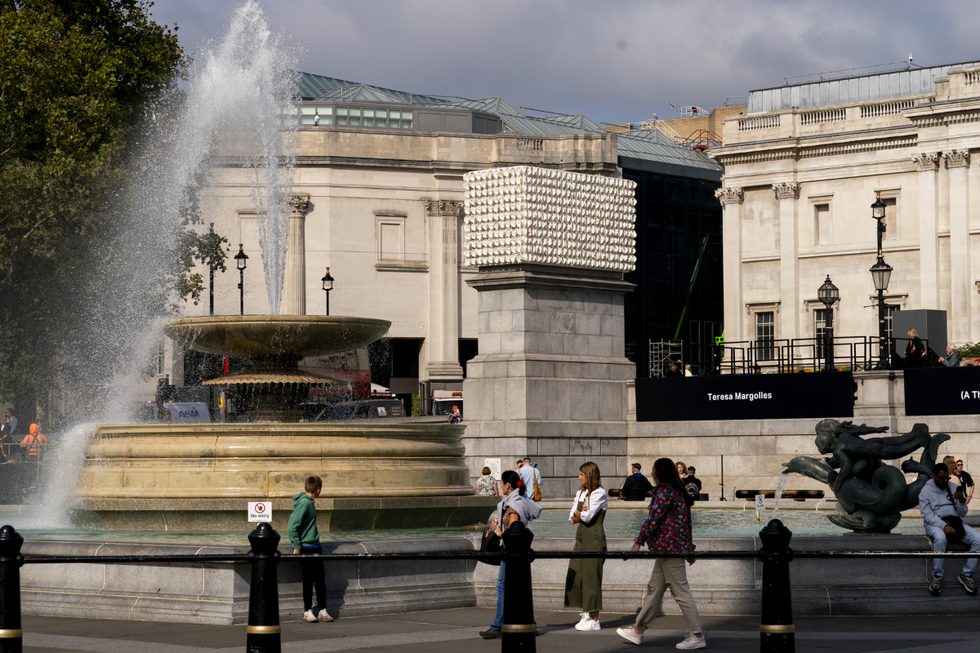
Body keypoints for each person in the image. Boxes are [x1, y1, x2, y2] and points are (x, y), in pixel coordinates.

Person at [617, 458, 705, 649]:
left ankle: (697, 634)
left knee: (681, 591)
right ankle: (638, 629)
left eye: (653, 470)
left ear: (660, 472)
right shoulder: (678, 492)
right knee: (655, 590)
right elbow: (686, 525)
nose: (651, 473)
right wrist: (688, 548)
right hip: (671, 548)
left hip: (668, 549)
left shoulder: (664, 493)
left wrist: (638, 541)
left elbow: (653, 519)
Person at [480, 469, 542, 639]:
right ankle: (530, 624)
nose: (500, 486)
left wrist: (500, 533)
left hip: (512, 553)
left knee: (503, 587)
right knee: (517, 588)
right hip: (515, 553)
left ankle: (498, 625)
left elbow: (514, 533)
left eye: (501, 483)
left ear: (507, 485)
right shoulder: (516, 501)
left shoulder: (514, 505)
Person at [919, 463, 980, 596]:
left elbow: (962, 513)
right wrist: (943, 526)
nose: (946, 481)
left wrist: (963, 501)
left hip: (954, 522)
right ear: (934, 476)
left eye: (947, 478)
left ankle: (966, 574)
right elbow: (927, 515)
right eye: (942, 478)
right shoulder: (925, 491)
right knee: (940, 538)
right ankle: (937, 576)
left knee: (978, 539)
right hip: (934, 524)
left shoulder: (952, 487)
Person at [565, 462, 608, 631]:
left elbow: (588, 517)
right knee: (576, 575)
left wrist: (580, 514)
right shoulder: (580, 493)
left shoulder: (599, 493)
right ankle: (586, 613)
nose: (579, 477)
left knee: (591, 579)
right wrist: (579, 513)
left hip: (594, 540)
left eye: (581, 474)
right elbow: (571, 518)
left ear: (589, 475)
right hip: (581, 540)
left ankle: (595, 619)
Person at [288, 475, 334, 623]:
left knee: (320, 578)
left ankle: (322, 609)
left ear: (305, 487)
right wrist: (296, 545)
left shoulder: (308, 502)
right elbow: (292, 526)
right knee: (309, 579)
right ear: (319, 490)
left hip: (315, 545)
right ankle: (307, 611)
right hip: (306, 548)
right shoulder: (304, 504)